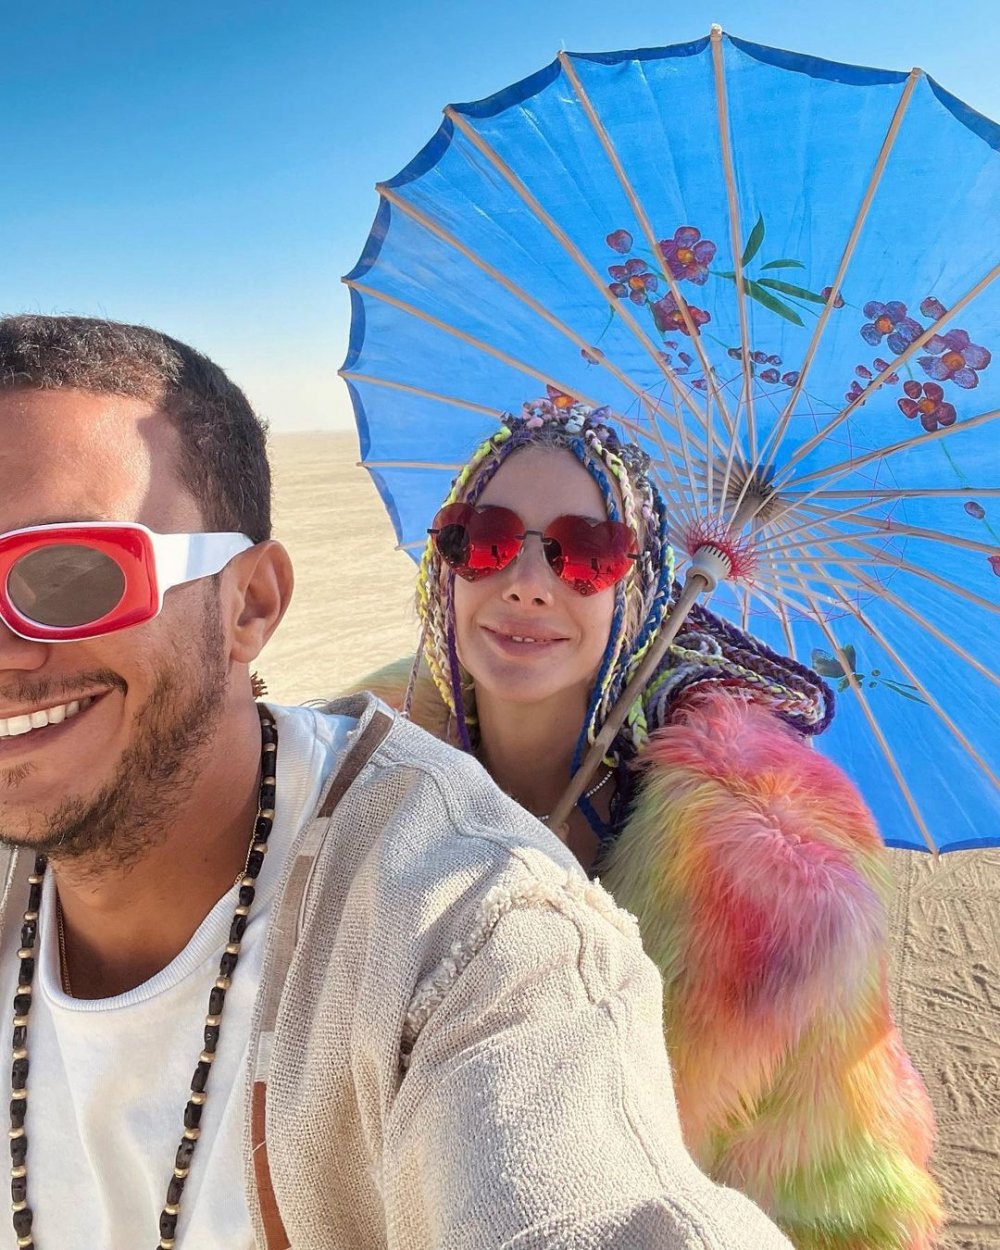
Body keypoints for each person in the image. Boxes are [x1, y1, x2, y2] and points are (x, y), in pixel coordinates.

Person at [0, 314, 802, 1250]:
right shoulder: (383, 757)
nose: (527, 582)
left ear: (251, 603)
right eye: (482, 540)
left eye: (70, 574)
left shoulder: (499, 927)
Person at [355, 393, 944, 1250]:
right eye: (483, 537)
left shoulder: (776, 888)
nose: (525, 582)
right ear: (443, 566)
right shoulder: (363, 770)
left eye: (587, 553)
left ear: (634, 595)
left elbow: (840, 1203)